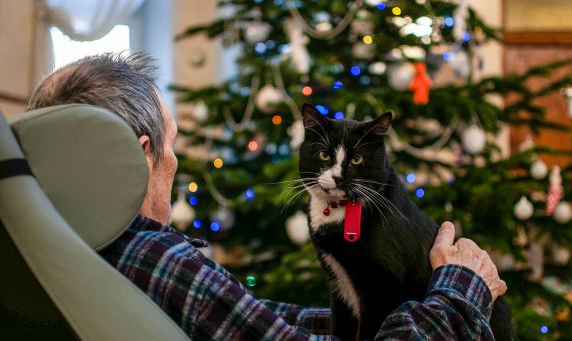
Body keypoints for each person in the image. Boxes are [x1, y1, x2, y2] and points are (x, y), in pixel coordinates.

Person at [27, 53, 507, 340]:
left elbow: (251, 321)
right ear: (139, 154)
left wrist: (368, 314)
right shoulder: (151, 255)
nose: (175, 162)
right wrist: (460, 290)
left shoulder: (51, 249)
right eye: (171, 144)